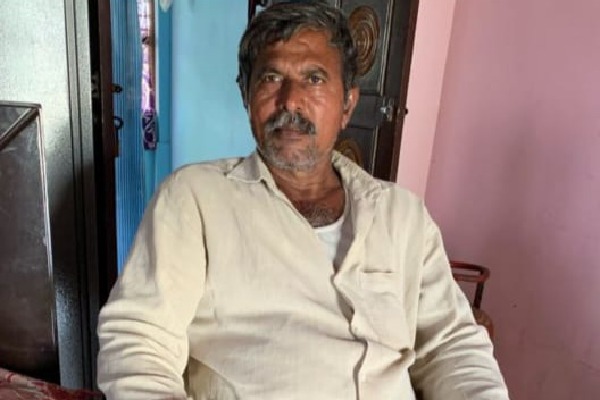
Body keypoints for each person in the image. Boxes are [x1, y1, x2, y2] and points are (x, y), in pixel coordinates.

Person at [97, 1, 510, 399]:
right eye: (271, 77)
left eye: (314, 78)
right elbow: (139, 341)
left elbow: (452, 345)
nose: (290, 100)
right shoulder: (194, 199)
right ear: (246, 96)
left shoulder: (402, 216)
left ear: (347, 104)